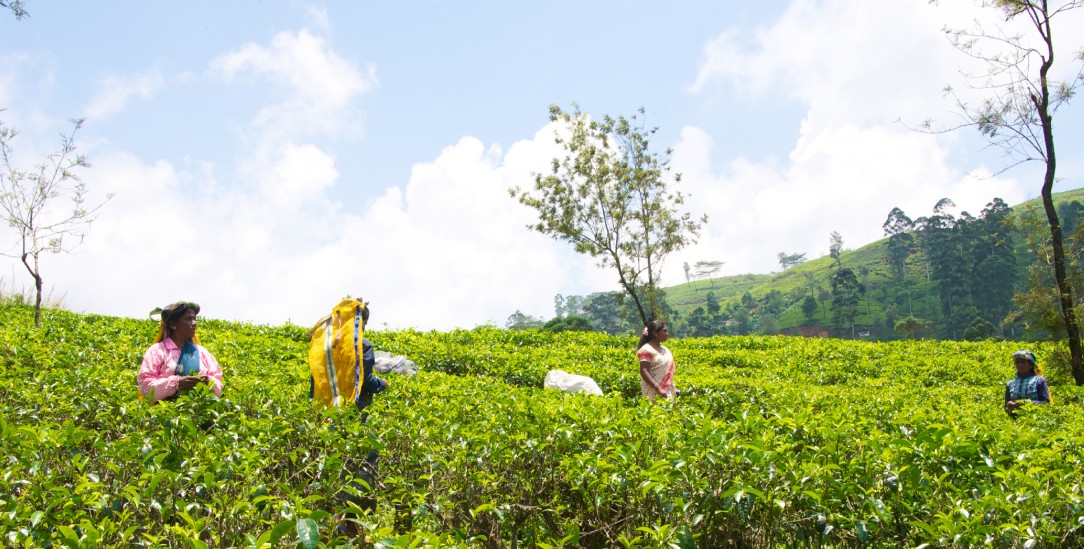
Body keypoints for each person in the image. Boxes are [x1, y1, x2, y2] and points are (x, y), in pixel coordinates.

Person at [138, 301, 224, 403]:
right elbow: (145, 385)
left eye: (194, 319)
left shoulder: (202, 352)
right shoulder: (157, 351)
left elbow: (218, 381)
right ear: (173, 324)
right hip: (167, 414)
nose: (194, 323)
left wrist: (207, 382)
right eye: (188, 319)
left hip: (198, 413)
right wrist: (177, 383)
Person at [637, 320, 677, 402]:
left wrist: (674, 389)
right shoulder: (646, 350)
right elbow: (644, 372)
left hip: (667, 390)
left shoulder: (665, 349)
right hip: (653, 391)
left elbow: (667, 373)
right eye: (664, 331)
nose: (667, 334)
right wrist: (658, 389)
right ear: (655, 333)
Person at [1004, 349, 1050, 416]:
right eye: (1017, 362)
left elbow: (1045, 402)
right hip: (1015, 422)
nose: (1020, 365)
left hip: (1035, 419)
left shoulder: (1039, 381)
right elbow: (1006, 405)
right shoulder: (1010, 384)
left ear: (1031, 364)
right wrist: (1010, 405)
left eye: (1023, 362)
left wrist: (1026, 404)